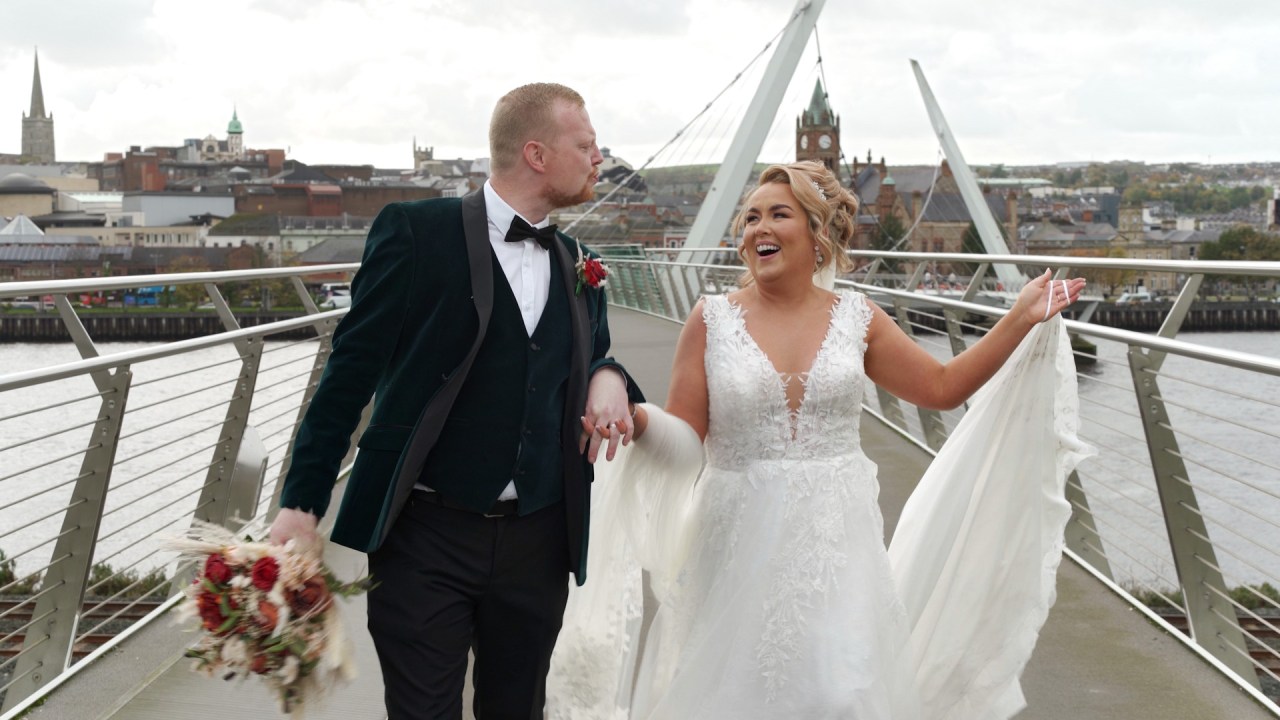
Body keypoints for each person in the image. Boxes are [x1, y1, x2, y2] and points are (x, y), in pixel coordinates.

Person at [547, 160, 1091, 718]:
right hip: (735, 543)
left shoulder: (859, 318)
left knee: (842, 692)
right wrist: (637, 420)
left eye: (778, 214)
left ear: (818, 232)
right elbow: (688, 440)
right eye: (751, 217)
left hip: (837, 548)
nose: (759, 227)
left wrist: (1019, 317)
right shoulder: (709, 320)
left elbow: (942, 386)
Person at [269, 82, 644, 720]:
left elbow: (594, 355)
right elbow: (349, 373)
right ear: (536, 154)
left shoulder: (583, 263)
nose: (599, 159)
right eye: (586, 145)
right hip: (425, 534)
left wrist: (611, 376)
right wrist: (301, 505)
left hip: (539, 536)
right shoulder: (415, 233)